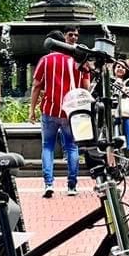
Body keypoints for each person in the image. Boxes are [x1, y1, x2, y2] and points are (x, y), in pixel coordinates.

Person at [30, 30, 85, 197]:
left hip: (50, 110)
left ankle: (48, 183)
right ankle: (72, 186)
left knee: (47, 147)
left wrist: (31, 109)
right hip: (70, 111)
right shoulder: (76, 60)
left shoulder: (45, 60)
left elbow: (36, 86)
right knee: (72, 147)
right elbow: (85, 85)